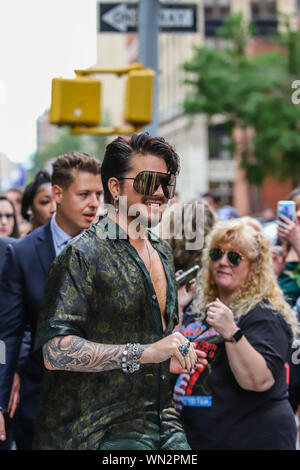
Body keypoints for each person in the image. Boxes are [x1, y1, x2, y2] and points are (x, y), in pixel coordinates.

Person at [32, 132, 207, 451]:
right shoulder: (82, 255)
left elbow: (155, 341)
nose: (158, 192)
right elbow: (55, 351)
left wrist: (173, 353)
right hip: (96, 431)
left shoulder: (163, 251)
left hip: (162, 422)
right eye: (146, 181)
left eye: (165, 183)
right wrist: (144, 353)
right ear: (114, 187)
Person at [0, 151, 103, 449]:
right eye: (84, 194)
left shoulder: (116, 247)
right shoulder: (22, 254)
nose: (94, 203)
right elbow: (7, 335)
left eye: (98, 194)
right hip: (40, 408)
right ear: (58, 194)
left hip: (104, 412)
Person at [174, 218, 299, 450]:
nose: (223, 262)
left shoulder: (265, 315)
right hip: (199, 439)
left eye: (234, 257)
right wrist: (178, 310)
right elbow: (172, 357)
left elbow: (259, 381)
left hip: (251, 440)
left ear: (254, 267)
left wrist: (231, 332)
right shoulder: (199, 308)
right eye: (216, 253)